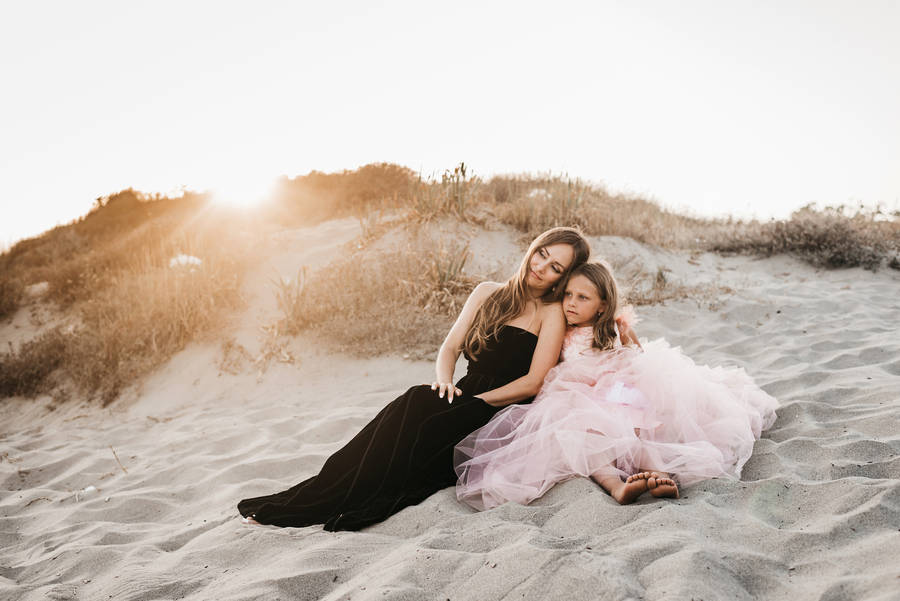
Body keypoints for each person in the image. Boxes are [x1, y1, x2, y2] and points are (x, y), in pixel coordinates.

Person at [237, 227, 591, 530]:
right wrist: (444, 381)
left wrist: (477, 401)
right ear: (532, 249)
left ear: (564, 277)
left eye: (555, 267)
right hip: (462, 394)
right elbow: (450, 348)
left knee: (414, 411)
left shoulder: (550, 313)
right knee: (414, 402)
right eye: (541, 255)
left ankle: (345, 496)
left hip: (499, 410)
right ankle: (325, 489)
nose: (541, 267)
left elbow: (533, 382)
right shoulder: (487, 292)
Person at [454, 261, 778, 510]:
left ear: (602, 305)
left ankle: (660, 475)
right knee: (583, 439)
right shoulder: (558, 329)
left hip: (617, 393)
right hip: (573, 397)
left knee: (637, 432)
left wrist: (631, 382)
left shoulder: (615, 328)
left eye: (582, 298)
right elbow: (547, 366)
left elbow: (637, 359)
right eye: (568, 294)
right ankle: (616, 486)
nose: (571, 303)